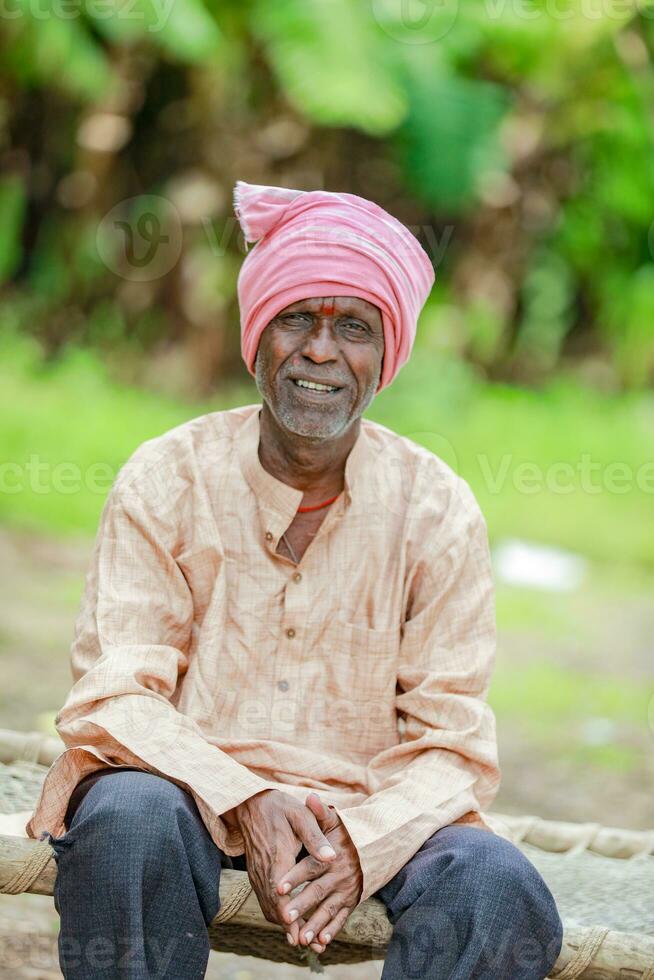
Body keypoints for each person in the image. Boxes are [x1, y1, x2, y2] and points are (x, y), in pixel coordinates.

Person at [26, 180, 564, 979]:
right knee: (128, 819)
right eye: (295, 319)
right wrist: (243, 794)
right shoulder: (168, 478)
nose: (321, 351)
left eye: (353, 326)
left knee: (497, 886)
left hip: (367, 815)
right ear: (256, 340)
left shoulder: (436, 509)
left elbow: (453, 746)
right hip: (190, 800)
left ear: (385, 355)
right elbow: (115, 694)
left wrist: (361, 839)